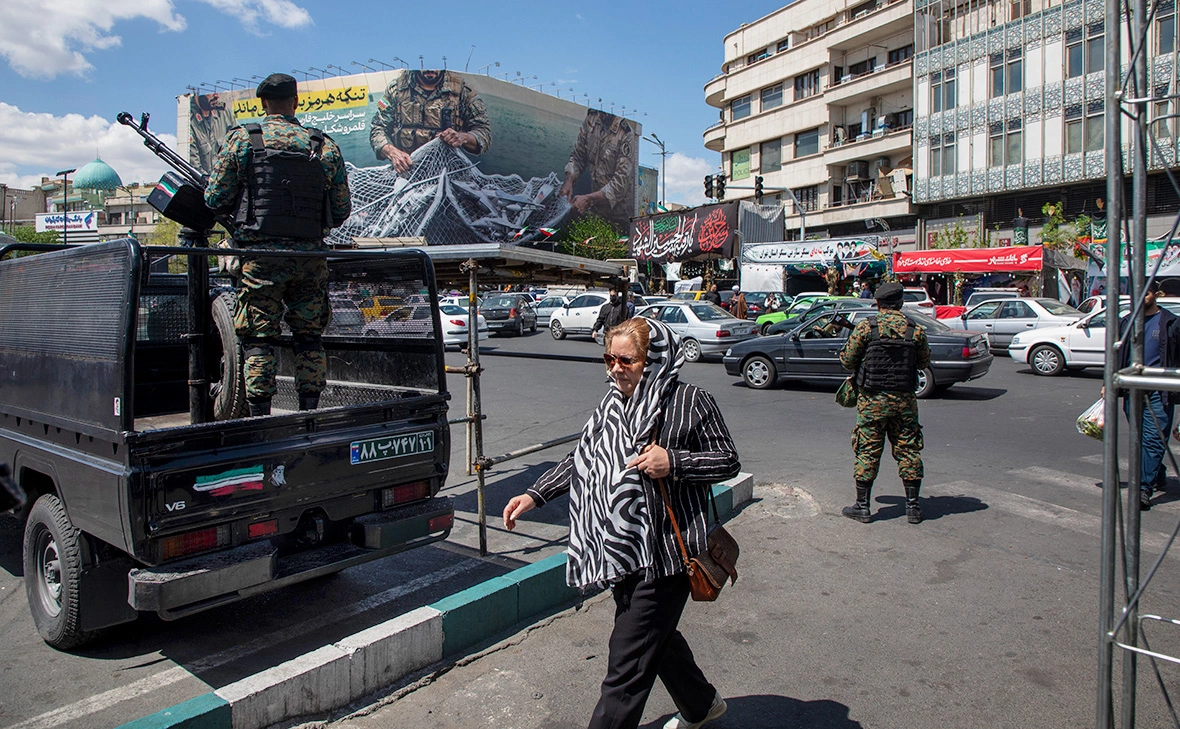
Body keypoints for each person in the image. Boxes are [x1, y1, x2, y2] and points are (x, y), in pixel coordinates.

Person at [503, 317, 740, 729]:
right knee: (654, 640)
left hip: (666, 556)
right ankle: (702, 706)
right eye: (609, 358)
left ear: (653, 361)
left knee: (627, 665)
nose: (615, 368)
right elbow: (583, 459)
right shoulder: (611, 406)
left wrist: (675, 462)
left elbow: (728, 460)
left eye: (626, 360)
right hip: (620, 550)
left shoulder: (689, 401)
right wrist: (534, 493)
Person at [205, 73, 352, 417]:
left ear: (263, 103)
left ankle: (260, 418)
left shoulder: (243, 140)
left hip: (261, 262)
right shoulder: (323, 145)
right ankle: (309, 415)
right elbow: (342, 210)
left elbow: (214, 197)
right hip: (310, 261)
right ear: (296, 102)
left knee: (259, 341)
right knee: (309, 339)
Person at [838, 282, 931, 524]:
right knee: (908, 450)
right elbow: (922, 363)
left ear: (878, 303)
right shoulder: (916, 330)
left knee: (867, 449)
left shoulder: (867, 328)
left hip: (872, 401)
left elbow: (847, 361)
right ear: (900, 303)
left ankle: (863, 506)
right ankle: (913, 507)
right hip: (905, 402)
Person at [1112, 280, 1180, 509]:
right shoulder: (1127, 322)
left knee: (1153, 439)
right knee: (1141, 438)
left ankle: (1143, 489)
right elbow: (1118, 355)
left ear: (1156, 294)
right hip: (1133, 391)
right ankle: (1157, 472)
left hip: (1160, 392)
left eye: (1147, 293)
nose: (1142, 297)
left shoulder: (1170, 323)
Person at [369, 70, 492, 174]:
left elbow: (484, 132)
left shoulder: (463, 91)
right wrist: (392, 153)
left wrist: (462, 137)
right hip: (406, 172)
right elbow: (378, 129)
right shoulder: (396, 90)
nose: (430, 69)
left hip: (448, 172)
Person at [559, 108, 639, 230]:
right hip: (596, 213)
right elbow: (578, 156)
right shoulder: (591, 120)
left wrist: (588, 199)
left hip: (619, 218)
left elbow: (619, 185)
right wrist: (569, 180)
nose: (603, 114)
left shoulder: (626, 133)